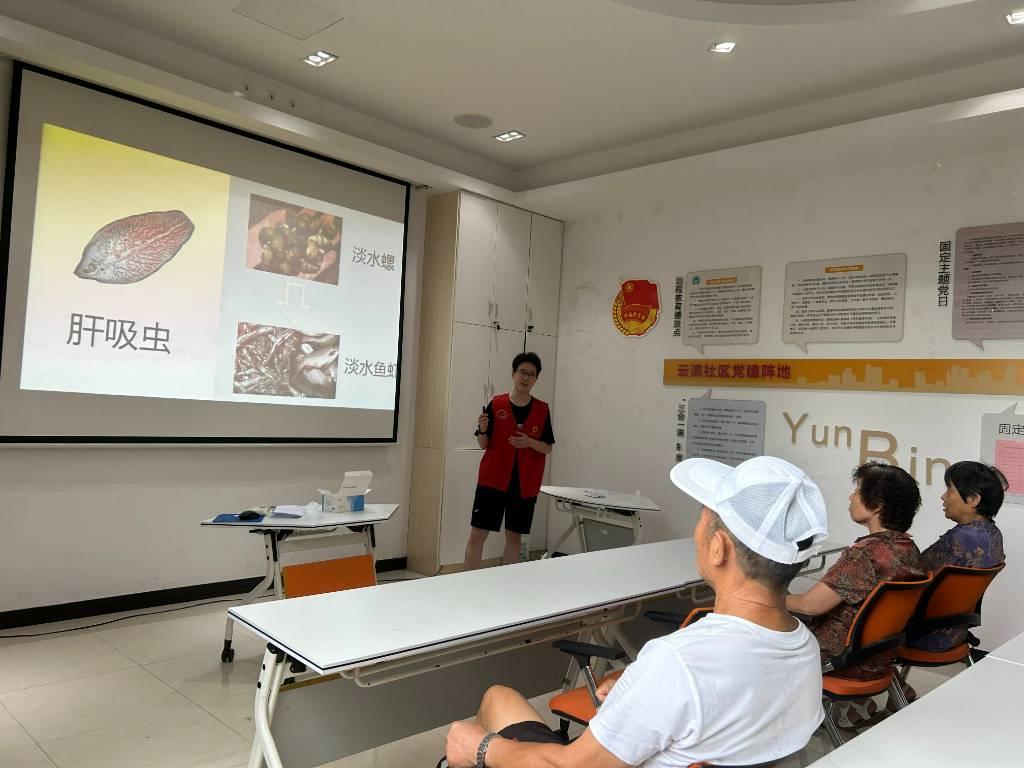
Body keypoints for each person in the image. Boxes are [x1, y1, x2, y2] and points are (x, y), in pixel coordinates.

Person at [445, 456, 829, 768]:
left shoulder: (678, 664)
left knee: (481, 719)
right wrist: (637, 681)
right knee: (499, 699)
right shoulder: (806, 650)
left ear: (719, 549)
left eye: (702, 517)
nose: (697, 530)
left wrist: (480, 748)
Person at [787, 462, 925, 725]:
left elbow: (810, 606)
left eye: (858, 490)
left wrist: (768, 596)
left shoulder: (864, 554)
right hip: (879, 658)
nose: (851, 496)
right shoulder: (909, 549)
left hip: (842, 660)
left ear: (877, 506)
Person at [464, 352, 554, 569]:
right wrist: (483, 429)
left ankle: (508, 589)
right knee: (478, 534)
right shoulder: (496, 404)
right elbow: (483, 444)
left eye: (531, 374)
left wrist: (529, 442)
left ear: (536, 379)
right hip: (492, 480)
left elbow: (547, 447)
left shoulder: (542, 409)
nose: (526, 378)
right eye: (522, 372)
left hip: (524, 484)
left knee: (514, 537)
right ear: (513, 374)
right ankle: (466, 585)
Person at [905, 461, 1006, 654]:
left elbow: (911, 571)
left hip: (924, 633)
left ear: (973, 499)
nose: (943, 497)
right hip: (957, 632)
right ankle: (901, 685)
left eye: (950, 490)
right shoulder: (994, 535)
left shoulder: (962, 538)